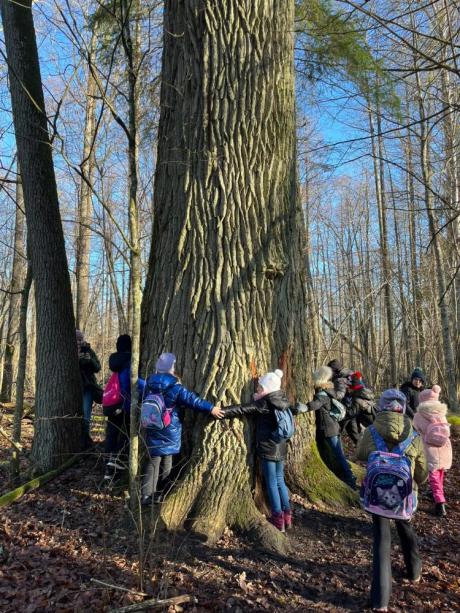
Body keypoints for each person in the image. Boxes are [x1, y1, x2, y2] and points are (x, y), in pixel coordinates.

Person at [357, 389, 428, 612]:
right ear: (404, 407)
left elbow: (359, 454)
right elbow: (422, 475)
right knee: (406, 529)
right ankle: (414, 571)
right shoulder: (414, 435)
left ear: (382, 406)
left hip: (378, 497)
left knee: (381, 542)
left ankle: (380, 601)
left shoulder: (371, 431)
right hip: (405, 497)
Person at [141, 353, 223, 505]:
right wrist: (210, 408)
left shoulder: (148, 384)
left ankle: (146, 496)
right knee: (167, 459)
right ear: (172, 368)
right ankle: (161, 493)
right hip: (169, 428)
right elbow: (193, 400)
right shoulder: (175, 387)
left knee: (153, 460)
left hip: (152, 425)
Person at [221, 369, 294, 532]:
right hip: (281, 445)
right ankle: (287, 516)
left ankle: (277, 517)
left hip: (268, 446)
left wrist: (223, 412)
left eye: (260, 387)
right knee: (280, 480)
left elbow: (243, 408)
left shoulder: (265, 402)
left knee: (272, 482)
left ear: (268, 388)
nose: (257, 390)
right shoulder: (282, 399)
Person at [308, 365, 357, 489]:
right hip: (332, 427)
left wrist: (300, 407)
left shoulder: (323, 394)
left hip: (329, 429)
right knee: (337, 454)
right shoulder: (328, 391)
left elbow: (315, 405)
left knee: (339, 455)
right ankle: (349, 477)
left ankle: (351, 480)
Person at [413, 385, 452, 517]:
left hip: (429, 449)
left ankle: (440, 505)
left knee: (433, 476)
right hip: (444, 448)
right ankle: (437, 493)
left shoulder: (419, 414)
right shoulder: (441, 412)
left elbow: (415, 431)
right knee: (440, 473)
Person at [103, 334, 132, 482]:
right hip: (123, 404)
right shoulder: (129, 362)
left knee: (112, 433)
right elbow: (130, 383)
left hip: (112, 403)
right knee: (127, 433)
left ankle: (107, 467)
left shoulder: (114, 361)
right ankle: (115, 461)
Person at [76, 329, 101, 448]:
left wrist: (89, 360)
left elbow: (97, 368)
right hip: (74, 389)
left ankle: (85, 442)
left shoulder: (89, 350)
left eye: (81, 339)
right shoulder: (67, 350)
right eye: (77, 339)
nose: (79, 342)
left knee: (86, 415)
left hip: (88, 388)